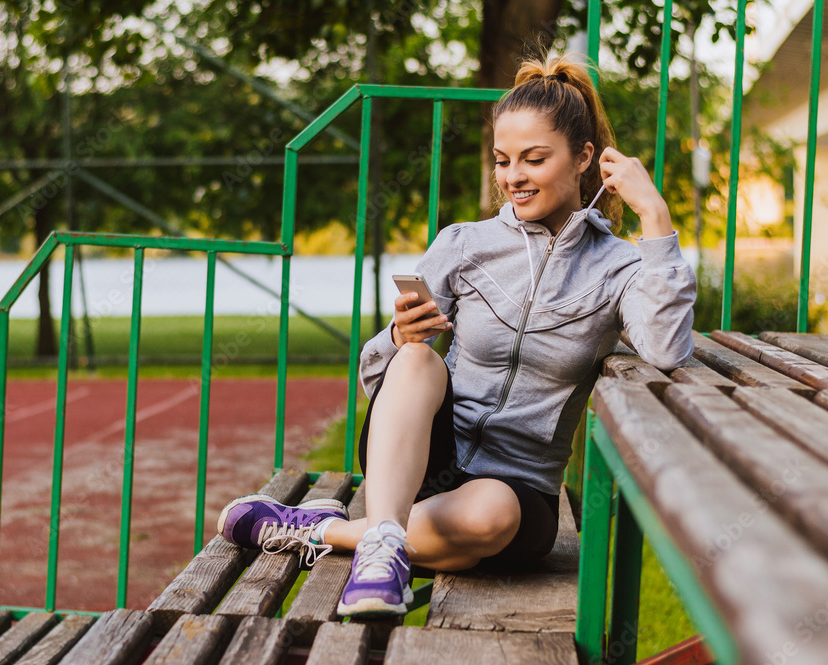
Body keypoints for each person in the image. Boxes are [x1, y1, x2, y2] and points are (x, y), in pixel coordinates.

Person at [216, 54, 697, 617]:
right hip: (420, 468)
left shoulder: (619, 267)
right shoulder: (464, 243)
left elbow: (666, 349)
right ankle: (386, 542)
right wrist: (398, 339)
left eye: (534, 159)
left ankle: (335, 532)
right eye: (503, 160)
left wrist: (656, 221)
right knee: (419, 360)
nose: (513, 177)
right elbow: (381, 378)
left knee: (487, 518)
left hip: (517, 490)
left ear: (585, 157)